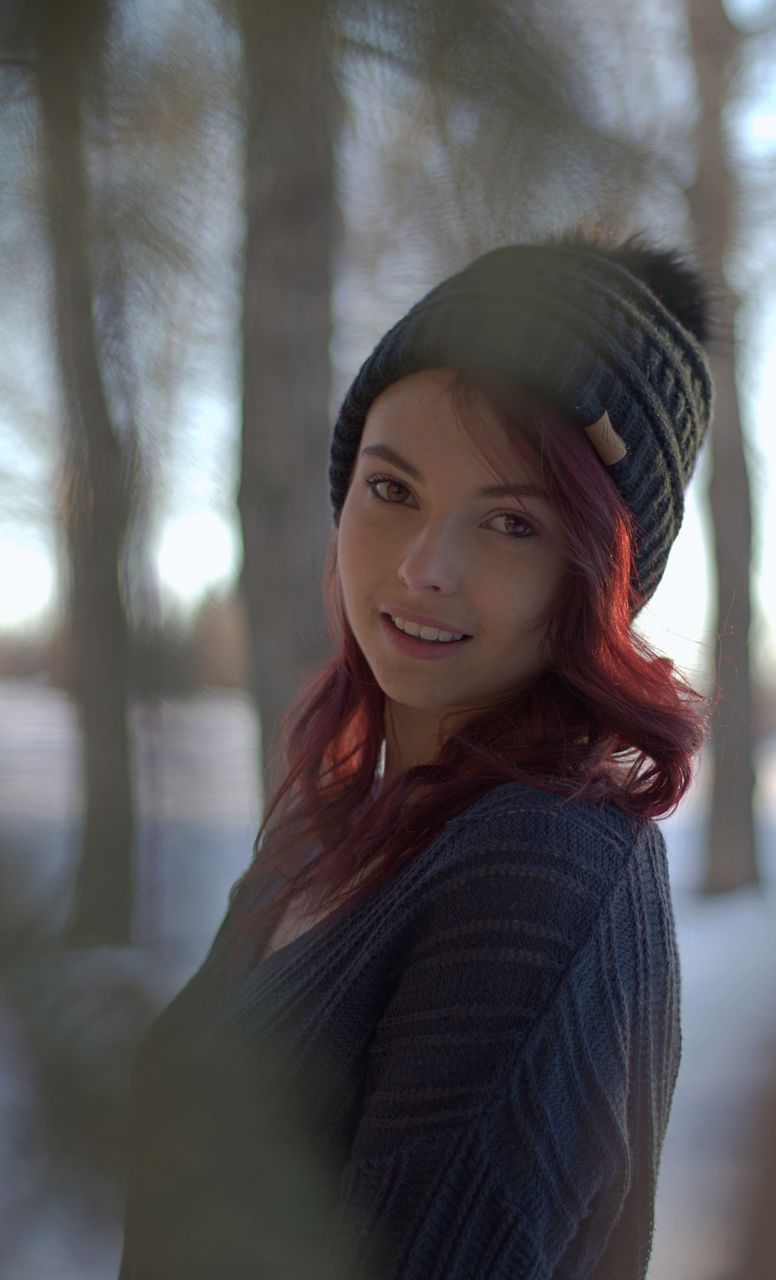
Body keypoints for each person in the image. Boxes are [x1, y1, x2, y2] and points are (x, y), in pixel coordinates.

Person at [118, 231, 715, 1279]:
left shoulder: (542, 868)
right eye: (393, 489)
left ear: (596, 580)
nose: (423, 566)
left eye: (512, 523)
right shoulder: (333, 816)